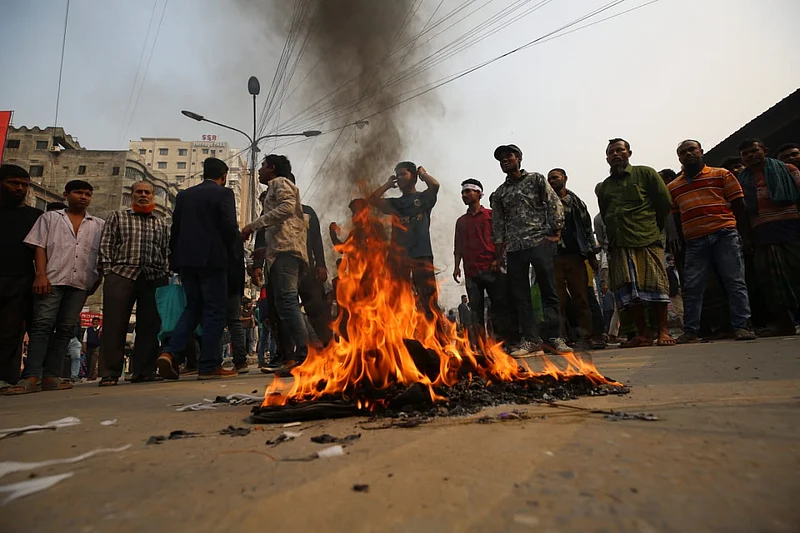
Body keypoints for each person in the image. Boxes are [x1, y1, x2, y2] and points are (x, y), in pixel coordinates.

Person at [7, 180, 104, 395]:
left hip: (81, 282)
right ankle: (31, 375)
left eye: (88, 193)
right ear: (66, 194)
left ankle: (52, 375)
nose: (83, 197)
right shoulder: (50, 218)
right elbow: (39, 247)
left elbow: (102, 256)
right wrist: (40, 275)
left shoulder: (98, 224)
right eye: (78, 192)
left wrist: (97, 280)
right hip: (51, 280)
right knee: (42, 326)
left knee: (66, 329)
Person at [156, 158, 240, 380]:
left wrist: (174, 259)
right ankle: (209, 365)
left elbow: (176, 228)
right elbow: (229, 227)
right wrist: (232, 256)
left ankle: (169, 352)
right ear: (224, 175)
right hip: (213, 260)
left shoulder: (185, 195)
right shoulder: (224, 194)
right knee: (214, 311)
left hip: (186, 261)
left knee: (193, 308)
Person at [668, 140, 755, 342]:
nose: (688, 154)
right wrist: (681, 246)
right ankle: (691, 331)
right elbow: (677, 218)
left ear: (701, 152)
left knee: (734, 281)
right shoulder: (673, 187)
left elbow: (739, 206)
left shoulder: (722, 174)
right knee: (692, 287)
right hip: (694, 241)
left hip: (724, 234)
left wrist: (744, 236)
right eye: (683, 152)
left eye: (692, 150)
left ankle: (741, 326)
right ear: (679, 158)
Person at [490, 144, 571, 356]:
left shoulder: (535, 179)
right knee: (521, 296)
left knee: (548, 292)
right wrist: (499, 255)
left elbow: (554, 204)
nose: (505, 160)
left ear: (519, 158)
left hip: (539, 243)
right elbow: (498, 225)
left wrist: (556, 232)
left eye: (509, 156)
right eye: (501, 158)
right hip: (515, 248)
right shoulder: (499, 193)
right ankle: (531, 340)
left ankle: (555, 338)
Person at [597, 138, 675, 348]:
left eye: (619, 150)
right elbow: (606, 214)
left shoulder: (646, 173)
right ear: (606, 158)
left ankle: (663, 331)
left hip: (646, 239)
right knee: (629, 292)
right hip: (619, 244)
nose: (615, 155)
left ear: (629, 153)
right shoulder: (604, 187)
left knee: (656, 287)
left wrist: (651, 228)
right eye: (611, 152)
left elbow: (664, 203)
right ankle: (643, 334)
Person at [241, 154, 309, 373]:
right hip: (279, 252)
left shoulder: (280, 182)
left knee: (287, 303)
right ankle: (293, 358)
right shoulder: (273, 187)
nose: (259, 170)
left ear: (271, 168)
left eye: (262, 166)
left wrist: (253, 225)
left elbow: (288, 207)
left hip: (286, 252)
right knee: (282, 306)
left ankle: (308, 354)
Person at [97, 181, 170, 385]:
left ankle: (144, 371)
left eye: (148, 192)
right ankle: (110, 373)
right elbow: (106, 245)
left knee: (149, 326)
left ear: (153, 197)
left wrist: (164, 273)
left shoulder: (161, 223)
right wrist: (109, 272)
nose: (143, 195)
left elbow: (165, 252)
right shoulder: (118, 217)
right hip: (121, 274)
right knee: (114, 324)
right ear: (132, 195)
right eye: (139, 192)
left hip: (153, 277)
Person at [737, 138, 800, 335]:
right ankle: (784, 324)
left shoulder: (787, 169)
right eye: (745, 153)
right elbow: (743, 212)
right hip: (762, 233)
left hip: (791, 228)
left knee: (796, 274)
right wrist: (746, 238)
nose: (750, 156)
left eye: (753, 151)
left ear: (764, 150)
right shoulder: (742, 180)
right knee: (770, 281)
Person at [369, 162, 440, 317]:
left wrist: (423, 174)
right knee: (397, 300)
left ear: (413, 177)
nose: (400, 178)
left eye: (403, 174)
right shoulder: (395, 203)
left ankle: (439, 339)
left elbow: (435, 185)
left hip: (421, 254)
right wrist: (388, 184)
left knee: (429, 300)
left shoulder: (423, 198)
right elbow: (373, 200)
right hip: (397, 257)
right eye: (398, 175)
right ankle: (401, 339)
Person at [546, 168, 604, 349]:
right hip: (553, 257)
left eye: (555, 177)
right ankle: (560, 339)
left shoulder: (576, 203)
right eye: (549, 179)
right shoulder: (544, 204)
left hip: (575, 256)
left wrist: (591, 256)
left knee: (581, 298)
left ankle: (588, 337)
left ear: (565, 178)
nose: (552, 181)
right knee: (558, 300)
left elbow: (587, 230)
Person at [0, 164, 42, 391]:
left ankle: (6, 378)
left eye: (24, 185)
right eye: (13, 183)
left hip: (20, 279)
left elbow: (41, 251)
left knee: (10, 332)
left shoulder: (35, 216)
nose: (19, 188)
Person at [453, 178, 504, 343]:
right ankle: (481, 346)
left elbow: (501, 238)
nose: (464, 195)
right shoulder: (461, 221)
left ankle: (501, 343)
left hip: (491, 268)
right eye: (463, 192)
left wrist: (499, 258)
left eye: (468, 191)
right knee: (476, 310)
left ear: (479, 193)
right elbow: (458, 246)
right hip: (471, 271)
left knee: (498, 307)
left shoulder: (491, 215)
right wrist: (456, 267)